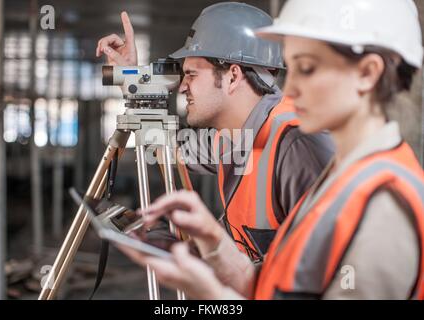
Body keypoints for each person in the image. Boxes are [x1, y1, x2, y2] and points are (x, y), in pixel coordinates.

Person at [117, 0, 424, 299]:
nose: (288, 90)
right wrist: (215, 245)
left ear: (367, 73)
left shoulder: (380, 205)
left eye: (307, 68)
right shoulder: (342, 172)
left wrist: (212, 295)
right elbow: (289, 284)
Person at [96, 2, 334, 260]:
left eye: (191, 75)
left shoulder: (298, 145)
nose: (182, 87)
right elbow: (166, 144)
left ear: (233, 76)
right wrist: (133, 82)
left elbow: (327, 273)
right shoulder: (230, 136)